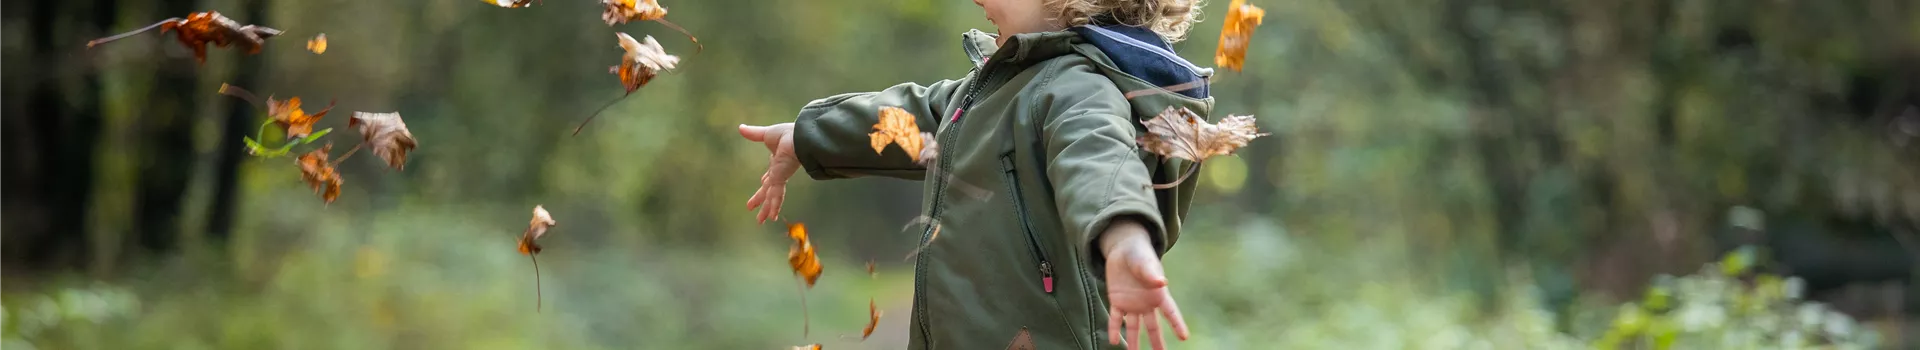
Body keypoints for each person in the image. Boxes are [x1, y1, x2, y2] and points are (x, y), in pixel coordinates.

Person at [735, 0, 1212, 348]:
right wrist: (807, 134)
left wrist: (1124, 237)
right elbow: (913, 118)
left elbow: (1097, 157)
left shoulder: (1076, 89)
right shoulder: (997, 87)